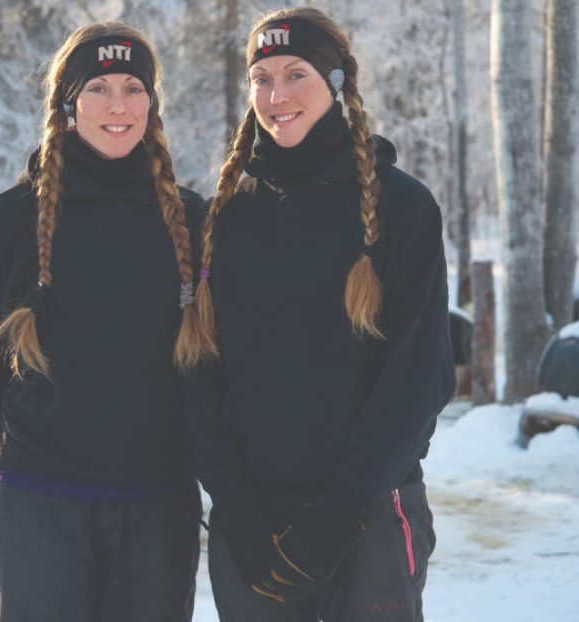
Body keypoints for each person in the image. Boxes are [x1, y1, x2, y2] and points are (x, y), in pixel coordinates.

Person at [184, 7, 456, 621]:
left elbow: (420, 377)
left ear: (336, 83)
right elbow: (197, 373)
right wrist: (233, 503)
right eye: (261, 79)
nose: (276, 96)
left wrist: (340, 510)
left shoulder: (401, 208)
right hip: (253, 521)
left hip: (369, 513)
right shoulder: (223, 218)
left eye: (296, 74)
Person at [0, 22, 206, 622]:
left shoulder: (193, 222)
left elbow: (215, 362)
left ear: (152, 103)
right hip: (38, 505)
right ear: (67, 104)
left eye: (133, 88)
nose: (118, 106)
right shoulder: (6, 222)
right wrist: (38, 444)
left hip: (155, 508)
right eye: (97, 88)